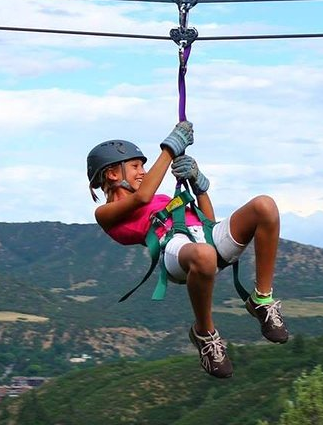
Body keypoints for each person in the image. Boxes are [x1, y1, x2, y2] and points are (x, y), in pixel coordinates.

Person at [86, 121, 288, 379]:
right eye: (136, 166)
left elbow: (208, 222)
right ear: (112, 174)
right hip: (175, 250)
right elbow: (142, 198)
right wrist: (170, 149)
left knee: (265, 205)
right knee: (204, 254)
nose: (144, 172)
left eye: (143, 167)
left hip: (203, 238)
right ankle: (204, 333)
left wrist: (198, 185)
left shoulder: (158, 197)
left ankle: (261, 299)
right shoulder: (105, 213)